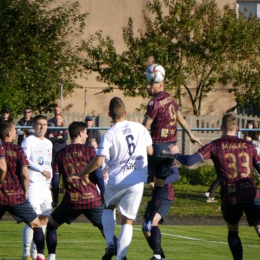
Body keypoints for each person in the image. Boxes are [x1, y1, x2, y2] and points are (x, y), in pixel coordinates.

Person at [68, 97, 153, 260]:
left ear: (109, 114)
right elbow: (150, 151)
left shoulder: (109, 134)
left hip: (117, 180)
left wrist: (81, 174)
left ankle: (110, 244)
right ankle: (120, 258)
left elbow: (99, 162)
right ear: (126, 112)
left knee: (108, 207)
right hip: (136, 180)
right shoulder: (140, 128)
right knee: (128, 221)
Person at [170, 113, 260, 260]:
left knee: (233, 230)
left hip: (231, 196)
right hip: (250, 192)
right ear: (237, 128)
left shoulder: (215, 145)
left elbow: (190, 161)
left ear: (221, 128)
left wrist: (176, 154)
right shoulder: (249, 145)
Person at [142, 64, 203, 236]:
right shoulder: (170, 98)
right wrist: (191, 135)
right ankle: (149, 221)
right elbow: (181, 119)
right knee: (159, 188)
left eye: (150, 84)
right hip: (170, 151)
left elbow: (145, 126)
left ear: (160, 84)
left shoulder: (154, 102)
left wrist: (139, 145)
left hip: (156, 149)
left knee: (138, 174)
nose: (148, 86)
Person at [46, 121, 119, 260]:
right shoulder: (90, 150)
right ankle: (122, 257)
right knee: (107, 232)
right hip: (92, 198)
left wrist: (55, 199)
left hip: (71, 201)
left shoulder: (60, 154)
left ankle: (51, 257)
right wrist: (104, 193)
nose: (87, 135)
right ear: (80, 133)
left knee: (51, 225)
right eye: (86, 132)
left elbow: (55, 180)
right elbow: (98, 175)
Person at [0, 121, 46, 260]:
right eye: (14, 130)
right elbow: (25, 174)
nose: (15, 133)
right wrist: (25, 192)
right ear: (9, 134)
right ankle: (40, 255)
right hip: (16, 195)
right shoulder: (18, 150)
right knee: (36, 225)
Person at [21, 115, 53, 260]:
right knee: (32, 220)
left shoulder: (49, 143)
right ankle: (26, 253)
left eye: (45, 124)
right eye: (39, 124)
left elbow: (48, 162)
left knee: (44, 219)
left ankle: (37, 252)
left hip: (45, 187)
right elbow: (25, 160)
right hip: (33, 185)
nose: (42, 127)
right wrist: (41, 170)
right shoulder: (28, 141)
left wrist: (49, 178)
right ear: (33, 125)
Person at [143, 167, 179, 260]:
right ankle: (161, 257)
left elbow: (176, 175)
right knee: (145, 228)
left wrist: (158, 182)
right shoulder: (146, 158)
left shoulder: (166, 156)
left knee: (152, 222)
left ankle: (158, 255)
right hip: (155, 196)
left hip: (165, 195)